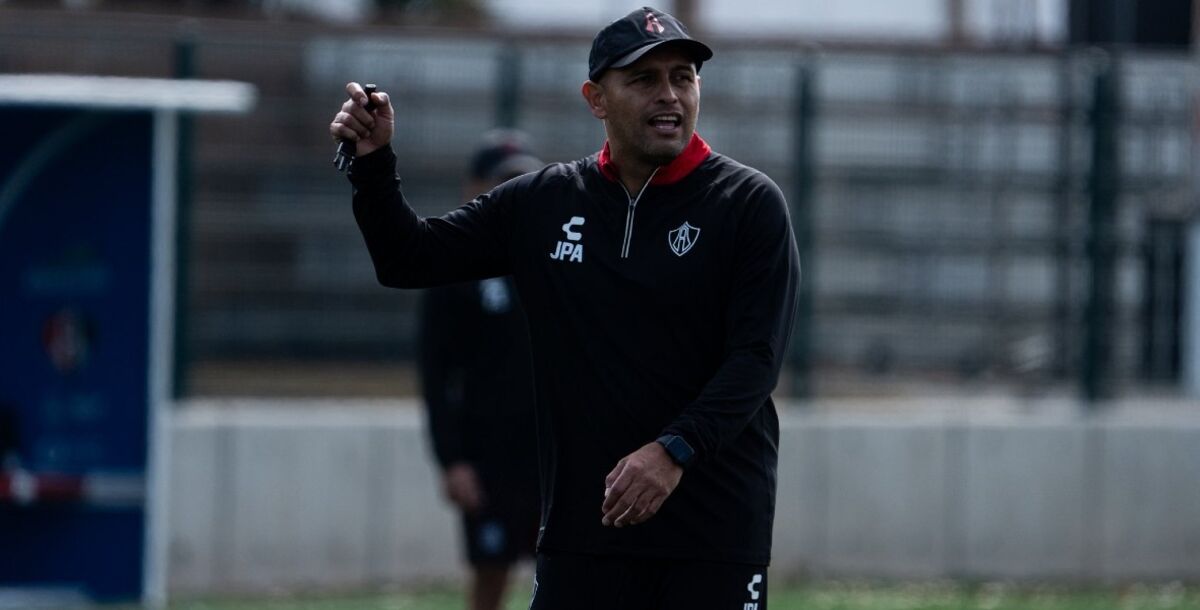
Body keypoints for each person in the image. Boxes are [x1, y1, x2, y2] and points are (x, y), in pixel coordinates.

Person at [330, 7, 799, 609]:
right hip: (584, 538)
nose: (670, 96)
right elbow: (409, 260)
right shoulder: (543, 202)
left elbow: (756, 361)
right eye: (644, 80)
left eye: (683, 77)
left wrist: (673, 450)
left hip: (713, 537)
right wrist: (372, 165)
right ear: (596, 99)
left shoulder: (750, 204)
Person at [418, 130, 543, 610]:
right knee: (491, 574)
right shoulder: (453, 263)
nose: (513, 193)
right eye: (502, 182)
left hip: (552, 454)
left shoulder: (560, 256)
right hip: (488, 456)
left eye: (523, 181)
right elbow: (435, 371)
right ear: (473, 187)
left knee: (566, 573)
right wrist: (452, 460)